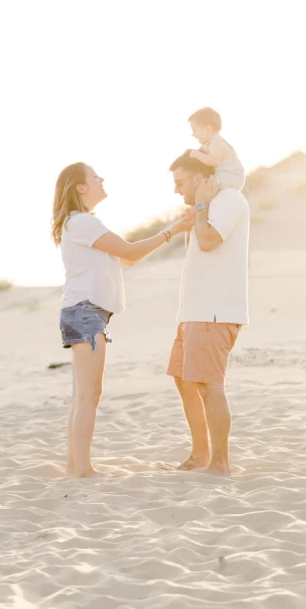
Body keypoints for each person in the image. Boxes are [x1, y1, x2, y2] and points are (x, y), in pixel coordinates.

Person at [51, 162, 194, 478]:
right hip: (85, 312)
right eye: (94, 176)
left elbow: (129, 258)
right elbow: (130, 250)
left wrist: (172, 229)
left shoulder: (83, 223)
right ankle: (83, 469)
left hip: (86, 312)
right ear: (81, 188)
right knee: (90, 395)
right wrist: (173, 229)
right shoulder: (82, 223)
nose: (101, 179)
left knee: (85, 395)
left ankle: (75, 465)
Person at [166, 151, 251, 476]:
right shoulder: (211, 204)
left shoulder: (228, 199)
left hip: (215, 310)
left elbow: (209, 241)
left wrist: (201, 208)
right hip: (194, 310)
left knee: (207, 384)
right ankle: (200, 455)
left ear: (200, 178)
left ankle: (220, 463)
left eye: (180, 182)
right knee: (184, 380)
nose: (176, 190)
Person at [187, 107, 246, 191]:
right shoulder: (208, 144)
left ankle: (204, 202)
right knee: (206, 184)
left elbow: (214, 161)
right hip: (223, 176)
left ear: (208, 128)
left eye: (195, 130)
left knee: (208, 185)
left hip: (232, 176)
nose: (193, 135)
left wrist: (197, 155)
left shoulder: (216, 141)